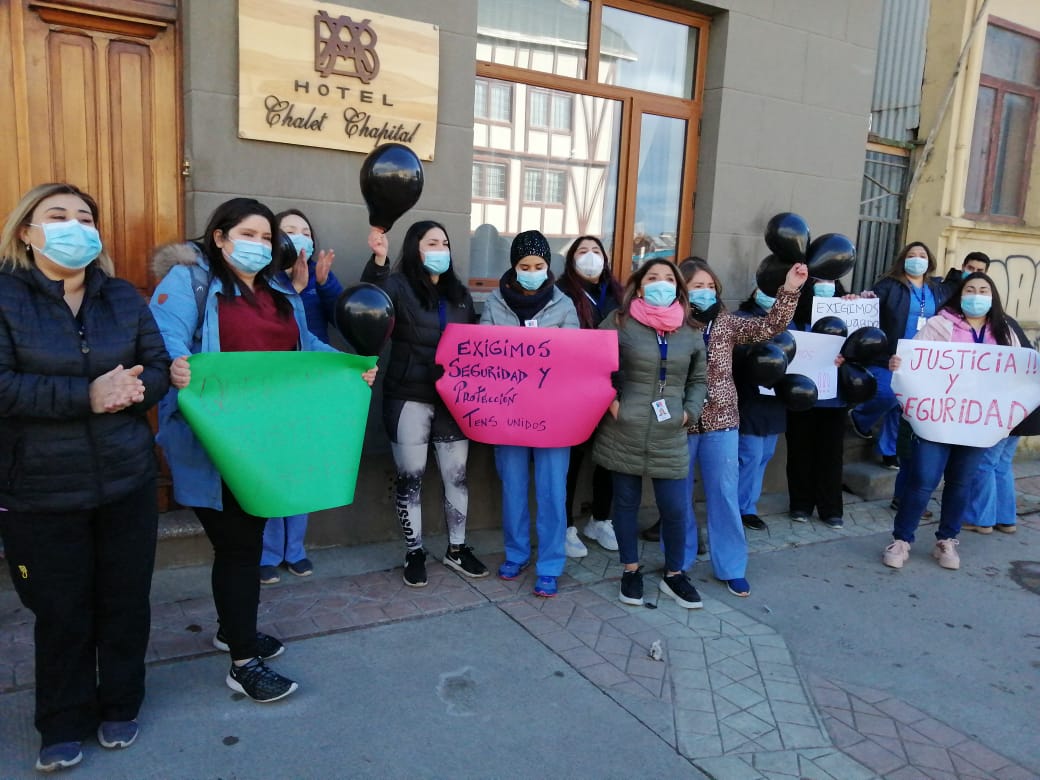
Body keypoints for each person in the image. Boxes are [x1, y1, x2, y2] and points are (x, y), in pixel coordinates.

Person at [149, 197, 376, 703]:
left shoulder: (279, 290)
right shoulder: (189, 282)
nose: (258, 245)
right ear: (219, 237)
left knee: (244, 540)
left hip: (267, 438)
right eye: (246, 234)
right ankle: (243, 662)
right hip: (215, 440)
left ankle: (234, 631)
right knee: (239, 545)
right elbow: (161, 340)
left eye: (266, 237)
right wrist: (176, 365)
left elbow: (305, 348)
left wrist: (347, 365)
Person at [0, 183, 171, 771]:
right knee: (61, 609)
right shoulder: (4, 296)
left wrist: (138, 387)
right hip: (42, 488)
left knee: (125, 601)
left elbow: (157, 365)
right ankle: (61, 721)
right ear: (28, 231)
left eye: (85, 217)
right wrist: (86, 396)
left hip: (126, 479)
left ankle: (121, 703)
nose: (75, 225)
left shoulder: (122, 296)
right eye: (57, 215)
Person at [363, 220, 488, 587]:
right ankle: (414, 551)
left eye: (445, 242)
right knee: (410, 479)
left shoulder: (460, 295)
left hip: (452, 401)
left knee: (457, 477)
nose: (440, 249)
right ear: (415, 248)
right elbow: (371, 305)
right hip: (408, 398)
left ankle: (457, 549)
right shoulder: (398, 286)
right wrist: (379, 262)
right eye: (432, 242)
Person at [683, 257, 806, 597]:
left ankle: (731, 566)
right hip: (682, 421)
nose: (705, 292)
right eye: (697, 286)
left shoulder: (727, 323)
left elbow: (770, 327)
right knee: (679, 496)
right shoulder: (673, 324)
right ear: (683, 289)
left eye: (710, 286)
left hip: (722, 421)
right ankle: (680, 561)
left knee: (723, 494)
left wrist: (790, 290)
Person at [883, 272, 1021, 570]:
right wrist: (899, 364)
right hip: (939, 420)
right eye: (970, 289)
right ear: (960, 294)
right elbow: (914, 359)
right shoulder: (940, 323)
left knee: (961, 483)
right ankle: (902, 539)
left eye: (984, 289)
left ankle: (947, 540)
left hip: (978, 423)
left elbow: (1017, 373)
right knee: (922, 481)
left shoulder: (1004, 330)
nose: (976, 294)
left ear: (993, 296)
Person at [591, 259, 707, 608]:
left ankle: (674, 574)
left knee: (674, 507)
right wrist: (613, 404)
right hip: (623, 428)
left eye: (668, 279)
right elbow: (592, 365)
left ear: (678, 287)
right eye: (653, 278)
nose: (661, 284)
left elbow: (699, 379)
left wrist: (689, 412)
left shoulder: (690, 329)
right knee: (624, 504)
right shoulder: (619, 322)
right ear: (639, 287)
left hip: (670, 430)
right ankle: (630, 570)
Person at [481, 230, 578, 598]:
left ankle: (551, 564)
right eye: (525, 266)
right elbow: (484, 354)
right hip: (508, 414)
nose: (532, 271)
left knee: (553, 491)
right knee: (514, 487)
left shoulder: (564, 305)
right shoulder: (494, 303)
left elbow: (573, 360)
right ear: (514, 267)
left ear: (548, 267)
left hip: (554, 416)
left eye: (539, 265)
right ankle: (517, 553)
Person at [259, 208, 347, 583]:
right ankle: (267, 552)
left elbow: (343, 316)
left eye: (305, 230)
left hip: (311, 385)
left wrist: (323, 284)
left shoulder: (318, 275)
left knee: (301, 469)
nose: (299, 237)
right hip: (271, 386)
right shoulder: (264, 278)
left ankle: (295, 550)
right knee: (268, 469)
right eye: (290, 230)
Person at [849, 242, 945, 469]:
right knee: (887, 395)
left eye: (922, 255)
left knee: (904, 405)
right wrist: (861, 298)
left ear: (929, 260)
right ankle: (860, 418)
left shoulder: (936, 289)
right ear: (903, 260)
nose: (917, 259)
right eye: (911, 255)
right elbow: (869, 306)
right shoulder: (889, 285)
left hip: (921, 358)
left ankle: (889, 450)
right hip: (887, 355)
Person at [556, 235, 622, 556]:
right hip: (573, 392)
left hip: (612, 390)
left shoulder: (618, 295)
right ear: (571, 260)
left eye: (596, 251)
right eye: (582, 251)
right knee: (573, 460)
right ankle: (566, 526)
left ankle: (600, 518)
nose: (590, 256)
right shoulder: (562, 293)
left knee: (609, 459)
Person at [785, 278, 853, 529]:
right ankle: (800, 504)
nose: (825, 285)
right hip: (801, 395)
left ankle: (831, 508)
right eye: (819, 280)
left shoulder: (848, 310)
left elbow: (861, 343)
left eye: (830, 280)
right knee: (799, 451)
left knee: (832, 454)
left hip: (834, 397)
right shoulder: (795, 315)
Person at [733, 287, 787, 532]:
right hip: (749, 400)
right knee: (749, 456)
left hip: (775, 400)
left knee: (764, 455)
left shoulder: (788, 320)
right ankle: (741, 508)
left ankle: (748, 505)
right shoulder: (741, 318)